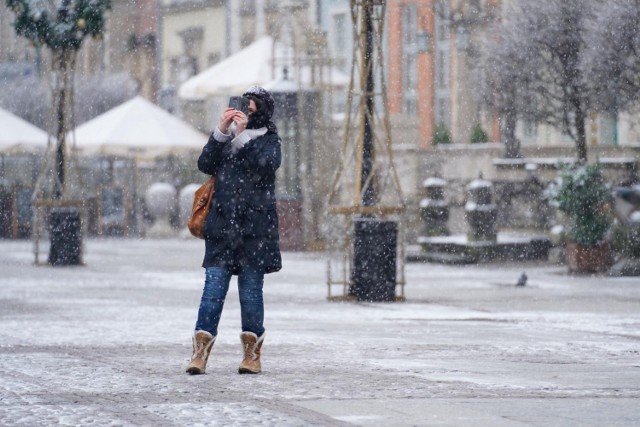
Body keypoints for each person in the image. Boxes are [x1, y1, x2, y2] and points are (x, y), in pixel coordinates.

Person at [186, 86, 282, 375]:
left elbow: (266, 166)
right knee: (212, 291)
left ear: (261, 110)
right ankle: (200, 354)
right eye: (242, 104)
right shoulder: (226, 140)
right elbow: (205, 164)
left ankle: (251, 355)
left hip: (255, 232)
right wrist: (220, 131)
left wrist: (242, 138)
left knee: (251, 293)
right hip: (222, 229)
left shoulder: (269, 140)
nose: (244, 109)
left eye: (250, 106)